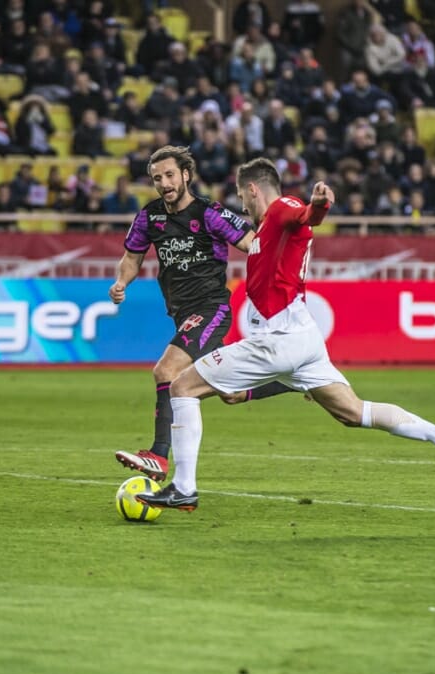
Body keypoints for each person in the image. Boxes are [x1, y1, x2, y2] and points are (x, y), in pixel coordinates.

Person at [136, 158, 435, 511]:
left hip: (277, 339)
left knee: (182, 386)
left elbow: (304, 216)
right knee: (353, 412)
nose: (242, 206)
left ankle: (183, 487)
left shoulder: (281, 208)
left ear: (254, 189)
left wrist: (319, 205)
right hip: (304, 340)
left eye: (243, 196)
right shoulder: (269, 228)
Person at [110, 146, 296, 482]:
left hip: (210, 308)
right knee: (230, 392)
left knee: (166, 370)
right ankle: (294, 381)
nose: (164, 183)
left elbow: (252, 243)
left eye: (169, 175)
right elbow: (132, 256)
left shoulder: (209, 213)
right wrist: (121, 281)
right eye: (156, 178)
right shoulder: (149, 217)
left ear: (185, 175)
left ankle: (158, 456)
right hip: (182, 314)